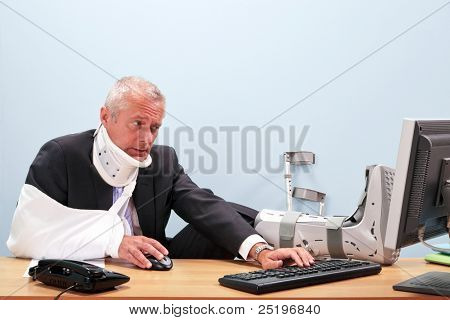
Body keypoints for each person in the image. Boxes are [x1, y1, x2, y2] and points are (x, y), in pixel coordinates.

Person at [7, 76, 314, 270]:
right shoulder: (61, 155)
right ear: (105, 116)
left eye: (154, 127)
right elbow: (26, 235)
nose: (147, 138)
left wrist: (258, 251)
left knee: (235, 215)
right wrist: (114, 241)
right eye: (137, 124)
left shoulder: (161, 160)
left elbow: (203, 206)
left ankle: (297, 251)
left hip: (153, 264)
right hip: (90, 268)